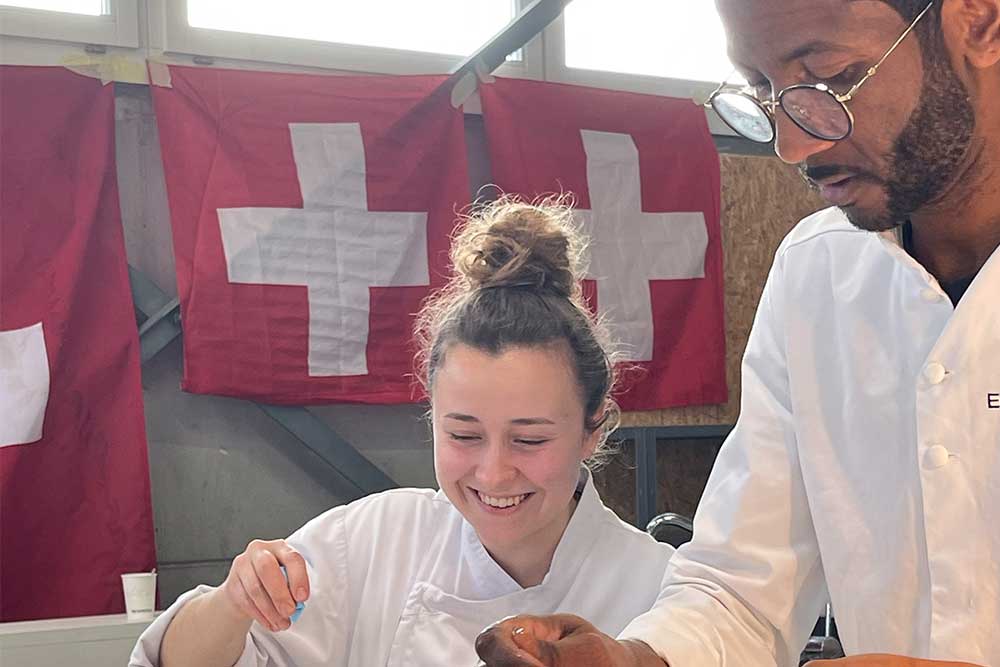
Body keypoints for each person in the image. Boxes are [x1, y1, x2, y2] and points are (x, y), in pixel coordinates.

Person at [475, 0, 1000, 665]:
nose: (793, 144)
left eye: (829, 78)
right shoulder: (819, 274)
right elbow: (746, 585)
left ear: (979, 20)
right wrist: (639, 658)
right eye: (763, 91)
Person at [128, 197, 675, 667]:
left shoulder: (660, 587)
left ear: (592, 430)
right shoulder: (375, 539)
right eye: (463, 435)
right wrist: (235, 600)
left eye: (529, 440)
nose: (493, 472)